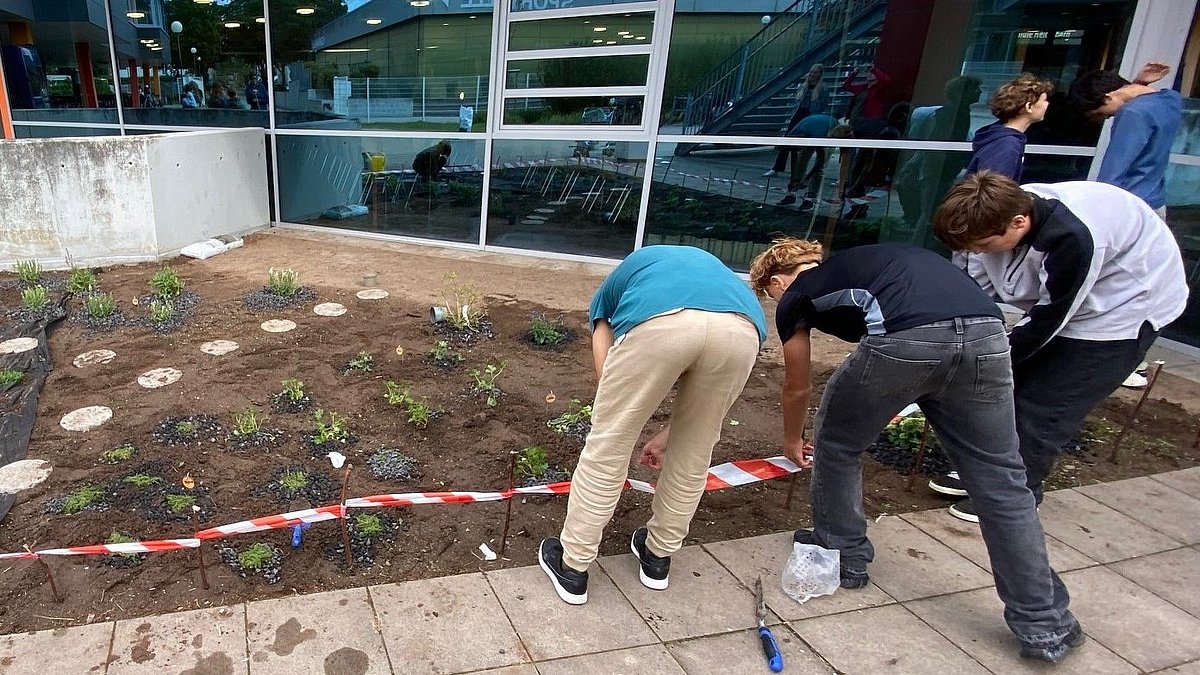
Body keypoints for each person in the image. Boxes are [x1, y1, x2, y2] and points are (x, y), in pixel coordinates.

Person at [748, 238, 1083, 664]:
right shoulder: (867, 262)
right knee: (1002, 481)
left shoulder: (795, 294)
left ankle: (843, 551)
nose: (776, 299)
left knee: (837, 443)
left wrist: (793, 440)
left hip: (908, 340)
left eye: (770, 292)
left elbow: (798, 384)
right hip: (989, 336)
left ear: (777, 282)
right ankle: (1044, 623)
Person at [931, 171, 1188, 521]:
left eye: (984, 245)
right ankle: (984, 475)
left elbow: (1049, 318)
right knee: (1006, 389)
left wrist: (991, 357)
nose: (977, 252)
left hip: (1122, 312)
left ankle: (1013, 497)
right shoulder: (990, 216)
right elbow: (971, 289)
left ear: (1019, 223)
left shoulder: (1072, 237)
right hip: (1075, 298)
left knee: (1046, 405)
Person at [539, 245, 766, 605]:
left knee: (608, 448)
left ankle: (573, 567)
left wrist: (617, 408)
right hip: (741, 331)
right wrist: (666, 436)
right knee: (695, 451)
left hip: (662, 322)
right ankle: (657, 556)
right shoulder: (713, 273)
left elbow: (604, 343)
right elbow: (704, 407)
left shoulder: (612, 288)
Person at [1069, 62, 1179, 218]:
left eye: (1100, 113)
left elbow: (1114, 169)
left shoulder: (1132, 113)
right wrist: (1138, 85)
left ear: (1107, 98)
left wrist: (1096, 207)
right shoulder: (1171, 100)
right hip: (1156, 201)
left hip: (1131, 205)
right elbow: (1141, 100)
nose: (1108, 117)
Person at [966, 74, 1054, 181]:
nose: (1047, 104)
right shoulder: (1007, 144)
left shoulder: (1000, 137)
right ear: (1029, 106)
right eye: (1044, 100)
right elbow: (994, 192)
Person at [764, 64, 829, 177]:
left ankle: (800, 171)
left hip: (811, 116)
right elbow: (797, 102)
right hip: (798, 114)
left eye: (816, 73)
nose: (813, 74)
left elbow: (824, 103)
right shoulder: (803, 86)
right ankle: (777, 168)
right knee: (788, 141)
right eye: (812, 72)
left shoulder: (823, 88)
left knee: (806, 146)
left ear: (820, 74)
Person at [776, 113, 837, 209]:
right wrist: (794, 178)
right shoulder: (793, 134)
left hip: (829, 129)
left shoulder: (818, 136)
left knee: (820, 169)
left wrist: (807, 178)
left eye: (800, 148)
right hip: (812, 127)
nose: (799, 149)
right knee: (800, 162)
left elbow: (820, 161)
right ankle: (791, 194)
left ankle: (811, 197)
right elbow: (794, 155)